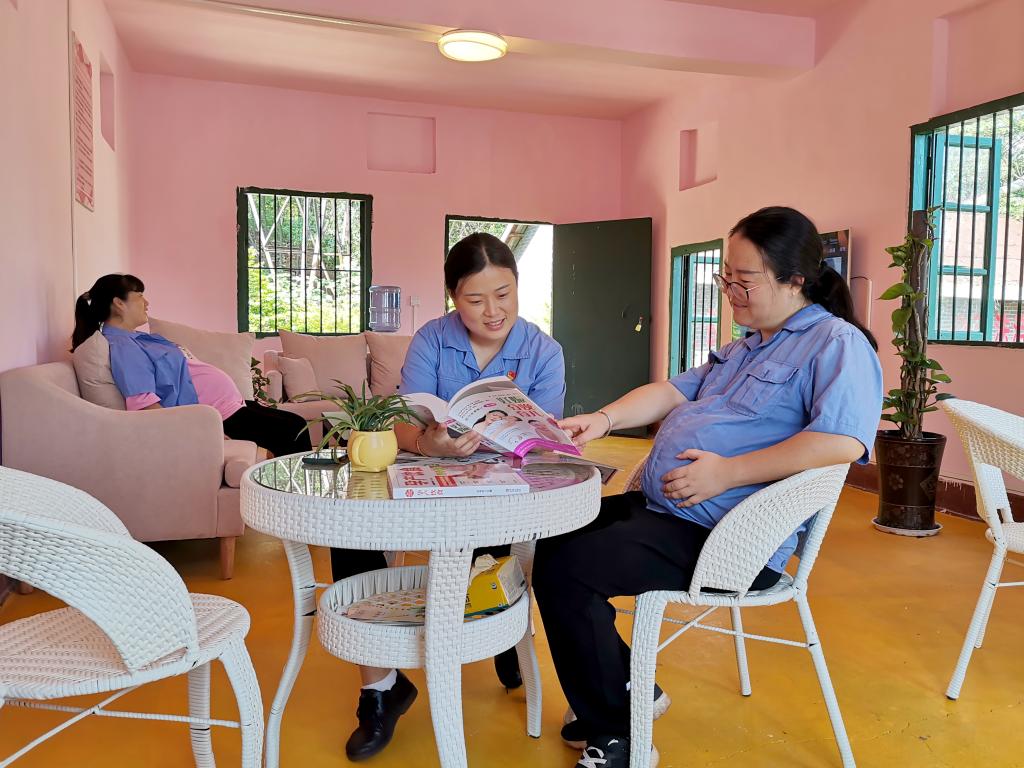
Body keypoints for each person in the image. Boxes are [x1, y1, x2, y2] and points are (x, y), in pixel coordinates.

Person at [532, 207, 883, 768]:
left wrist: (727, 472)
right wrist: (601, 419)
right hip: (672, 512)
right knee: (553, 537)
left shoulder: (836, 344)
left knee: (571, 568)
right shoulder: (748, 345)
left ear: (794, 279)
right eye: (727, 278)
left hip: (729, 538)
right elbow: (673, 391)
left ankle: (619, 733)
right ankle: (624, 687)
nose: (731, 293)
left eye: (745, 281)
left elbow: (841, 441)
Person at [329, 232, 567, 761]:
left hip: (501, 486)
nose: (492, 311)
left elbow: (543, 441)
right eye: (475, 300)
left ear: (518, 286)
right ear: (453, 298)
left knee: (508, 549)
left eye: (503, 295)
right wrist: (427, 442)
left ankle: (503, 630)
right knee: (351, 531)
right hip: (426, 477)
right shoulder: (432, 340)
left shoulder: (543, 352)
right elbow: (401, 424)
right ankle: (380, 688)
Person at [71, 273, 311, 463]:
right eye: (140, 296)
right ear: (118, 303)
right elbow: (144, 404)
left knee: (298, 424)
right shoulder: (124, 348)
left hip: (229, 407)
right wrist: (203, 430)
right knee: (294, 430)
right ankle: (297, 501)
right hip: (218, 416)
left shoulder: (136, 339)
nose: (147, 303)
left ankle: (297, 498)